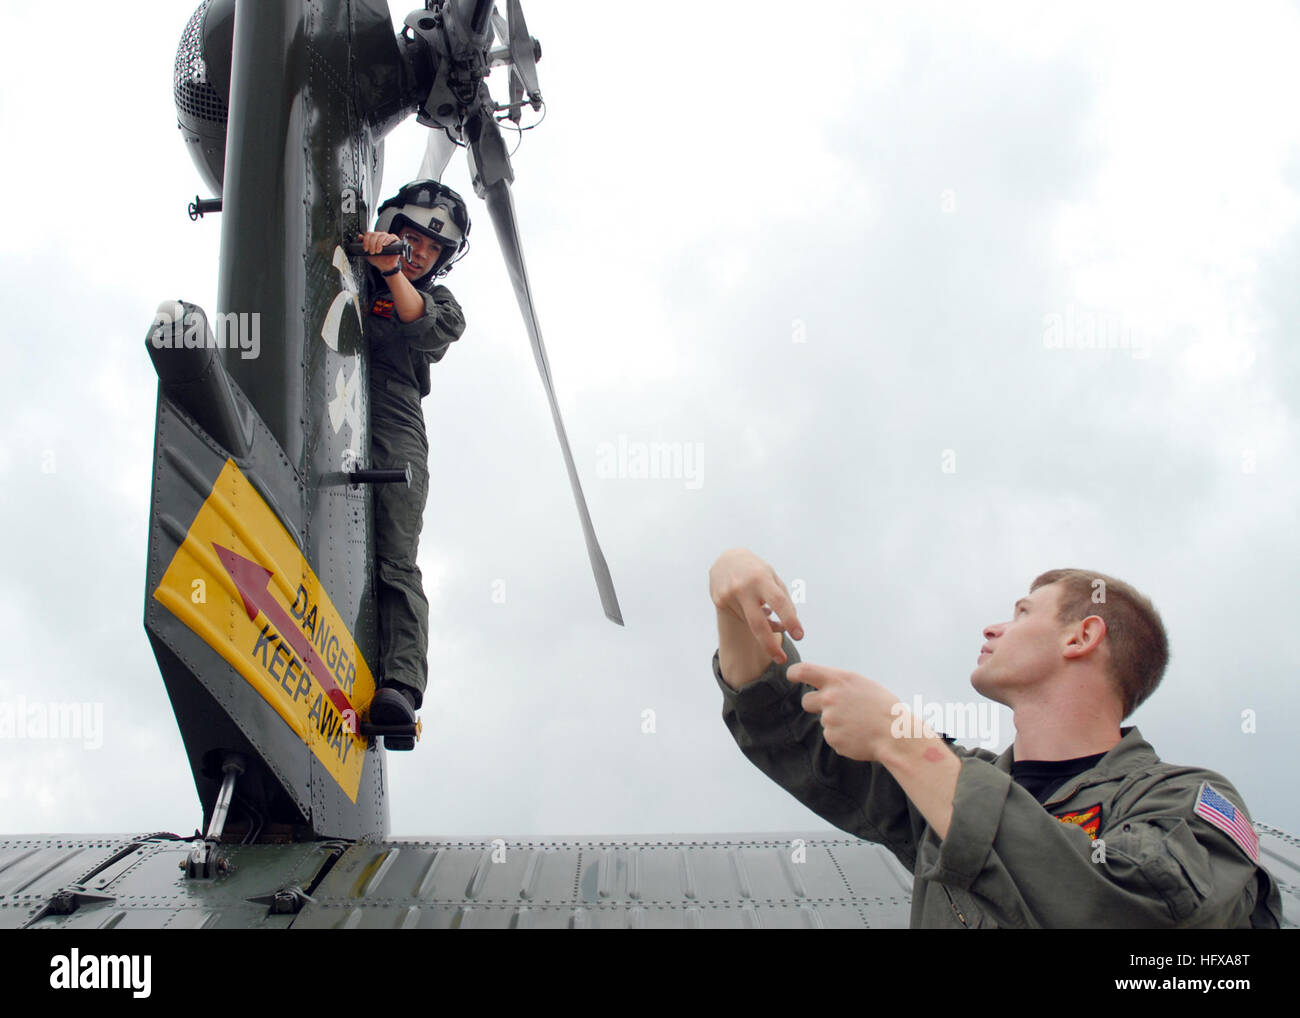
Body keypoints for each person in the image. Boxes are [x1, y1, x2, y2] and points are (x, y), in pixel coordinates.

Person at [708, 548, 1284, 927]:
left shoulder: (1188, 802)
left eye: (1022, 612)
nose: (992, 627)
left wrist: (904, 743)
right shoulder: (941, 786)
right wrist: (733, 602)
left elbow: (1147, 915)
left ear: (1082, 636)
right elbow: (786, 730)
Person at [358, 180, 470, 749]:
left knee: (395, 555)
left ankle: (399, 687)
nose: (422, 249)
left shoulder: (440, 303)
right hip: (324, 395)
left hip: (394, 417)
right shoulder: (343, 259)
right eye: (415, 235)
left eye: (434, 248)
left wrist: (391, 271)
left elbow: (424, 326)